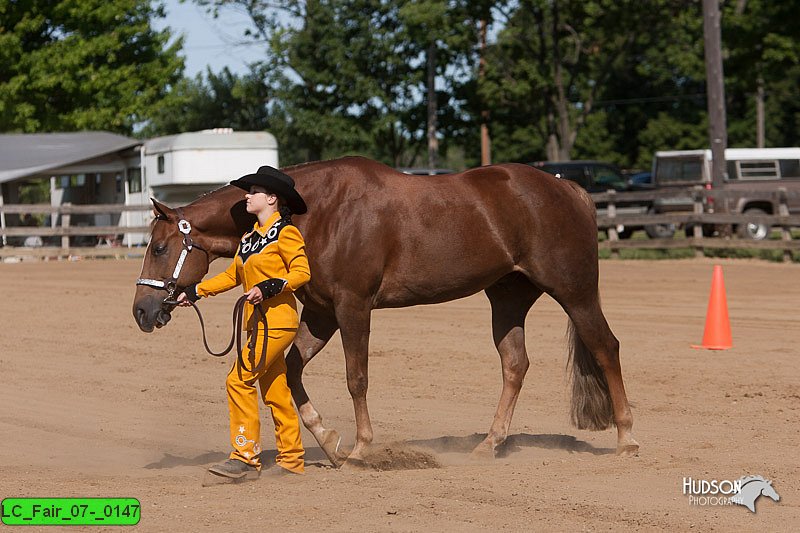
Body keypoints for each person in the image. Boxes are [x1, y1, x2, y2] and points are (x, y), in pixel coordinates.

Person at [176, 166, 310, 482]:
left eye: (253, 192)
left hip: (277, 322)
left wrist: (270, 286)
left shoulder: (286, 233)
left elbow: (302, 272)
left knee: (238, 380)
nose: (247, 196)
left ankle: (245, 456)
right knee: (276, 391)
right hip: (258, 324)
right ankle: (292, 459)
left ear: (273, 198)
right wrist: (196, 291)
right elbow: (232, 276)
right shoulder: (249, 239)